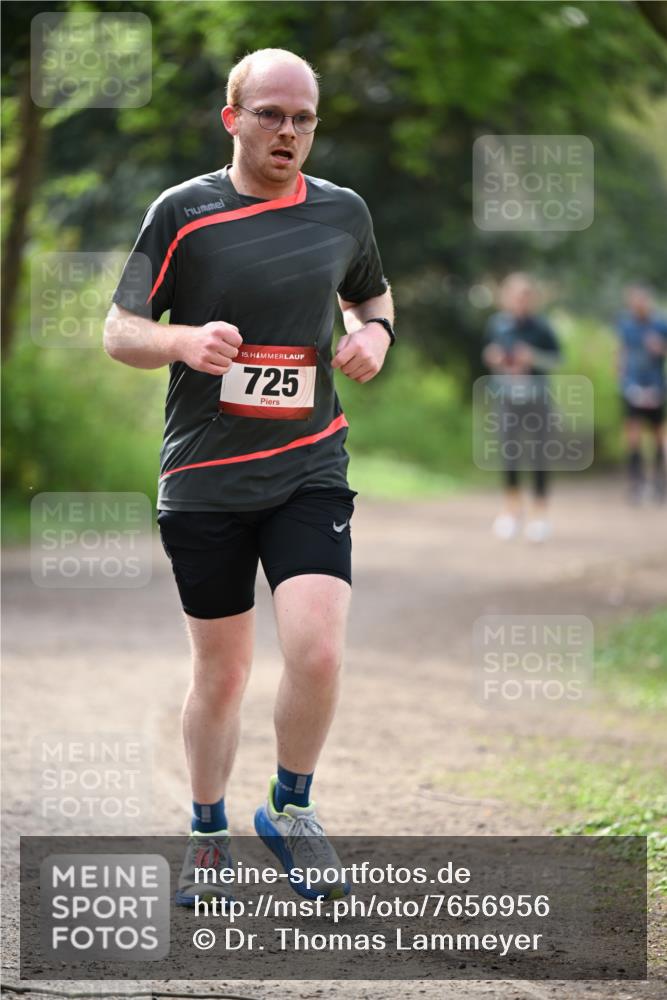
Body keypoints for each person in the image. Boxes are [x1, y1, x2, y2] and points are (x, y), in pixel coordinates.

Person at [104, 48, 395, 905]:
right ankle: (204, 832)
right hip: (203, 479)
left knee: (318, 647)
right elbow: (120, 329)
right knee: (223, 673)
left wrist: (374, 337)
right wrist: (180, 341)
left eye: (302, 118)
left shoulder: (342, 212)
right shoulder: (183, 212)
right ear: (232, 118)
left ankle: (291, 809)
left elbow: (370, 298)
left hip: (309, 465)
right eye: (270, 114)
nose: (288, 131)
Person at [482, 273, 561, 543]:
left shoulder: (543, 327)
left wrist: (534, 357)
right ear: (508, 299)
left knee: (538, 455)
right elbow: (490, 355)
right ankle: (511, 510)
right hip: (507, 398)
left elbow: (557, 360)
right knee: (509, 453)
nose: (521, 302)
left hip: (537, 400)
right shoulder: (498, 325)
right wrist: (494, 358)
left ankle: (540, 514)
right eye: (517, 297)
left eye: (526, 297)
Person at [615, 285, 667, 504]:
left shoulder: (661, 324)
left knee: (657, 435)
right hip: (632, 387)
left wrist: (660, 348)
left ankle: (658, 482)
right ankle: (636, 483)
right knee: (633, 436)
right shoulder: (626, 324)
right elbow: (621, 352)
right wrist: (621, 378)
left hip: (655, 386)